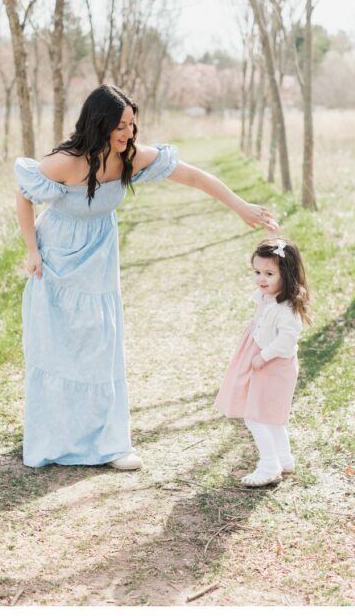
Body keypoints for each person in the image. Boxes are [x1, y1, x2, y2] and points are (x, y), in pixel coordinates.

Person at [16, 84, 277, 470]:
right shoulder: (65, 160)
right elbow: (24, 192)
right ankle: (53, 438)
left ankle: (109, 443)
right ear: (99, 123)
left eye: (131, 126)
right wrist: (32, 249)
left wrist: (240, 206)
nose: (128, 134)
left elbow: (192, 176)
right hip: (57, 258)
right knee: (60, 348)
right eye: (120, 126)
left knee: (101, 345)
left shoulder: (130, 158)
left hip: (99, 259)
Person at [215, 237, 311, 487]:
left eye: (269, 273)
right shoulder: (269, 298)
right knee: (269, 416)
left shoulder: (286, 309)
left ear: (286, 274)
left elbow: (286, 343)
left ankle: (269, 465)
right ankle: (284, 458)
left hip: (272, 366)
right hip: (264, 364)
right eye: (257, 272)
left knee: (256, 416)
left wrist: (263, 357)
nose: (261, 279)